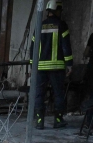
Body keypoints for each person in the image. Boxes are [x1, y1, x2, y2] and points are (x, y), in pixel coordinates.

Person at [30, 0, 73, 129]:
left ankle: (39, 122)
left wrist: (32, 66)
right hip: (56, 67)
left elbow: (33, 47)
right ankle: (58, 120)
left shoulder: (39, 26)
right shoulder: (61, 25)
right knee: (58, 94)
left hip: (40, 67)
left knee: (39, 94)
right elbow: (66, 46)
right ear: (57, 10)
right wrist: (69, 64)